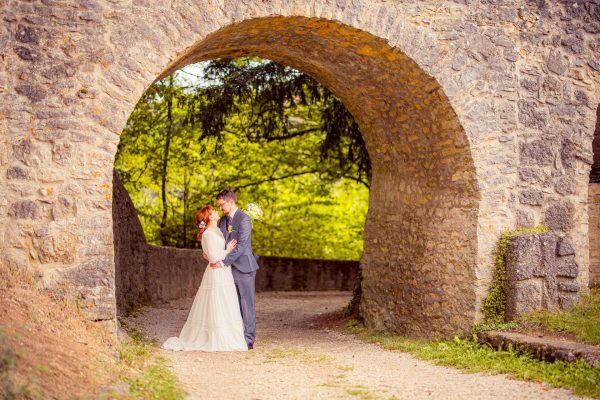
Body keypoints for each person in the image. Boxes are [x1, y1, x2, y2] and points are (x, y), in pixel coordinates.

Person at [162, 205, 247, 352]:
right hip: (216, 272)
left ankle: (228, 336)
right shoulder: (208, 234)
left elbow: (210, 254)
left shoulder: (218, 230)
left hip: (223, 270)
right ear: (209, 217)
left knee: (226, 302)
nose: (216, 212)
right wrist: (227, 250)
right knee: (217, 302)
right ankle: (215, 338)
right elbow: (213, 258)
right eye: (213, 211)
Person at [211, 188, 260, 350]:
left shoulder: (244, 219)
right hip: (228, 270)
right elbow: (222, 242)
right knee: (233, 304)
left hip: (244, 267)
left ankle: (249, 339)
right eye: (218, 206)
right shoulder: (223, 221)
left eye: (222, 205)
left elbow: (241, 246)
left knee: (247, 304)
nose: (220, 208)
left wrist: (223, 261)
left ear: (231, 202)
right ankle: (237, 336)